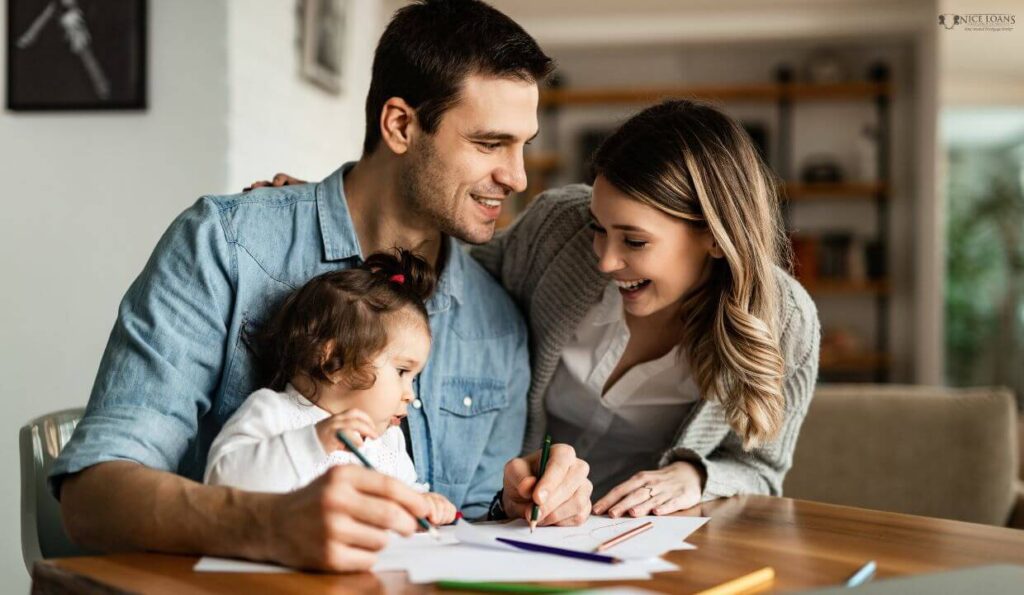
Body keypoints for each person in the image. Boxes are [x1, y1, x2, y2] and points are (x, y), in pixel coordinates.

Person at [51, 0, 592, 573]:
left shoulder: (497, 321)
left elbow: (470, 529)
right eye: (489, 144)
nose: (518, 176)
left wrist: (519, 505)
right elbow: (92, 501)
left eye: (522, 145)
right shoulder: (226, 247)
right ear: (401, 125)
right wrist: (265, 525)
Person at [472, 99, 821, 517]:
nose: (605, 260)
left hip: (642, 539)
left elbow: (761, 472)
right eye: (597, 228)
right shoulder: (556, 230)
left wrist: (694, 477)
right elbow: (456, 292)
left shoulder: (787, 323)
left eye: (634, 241)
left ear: (714, 237)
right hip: (505, 517)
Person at [204, 250, 457, 526]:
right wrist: (313, 441)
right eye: (402, 372)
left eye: (413, 378)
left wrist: (424, 504)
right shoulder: (272, 413)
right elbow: (221, 485)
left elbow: (405, 499)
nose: (411, 394)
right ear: (334, 363)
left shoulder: (387, 442)